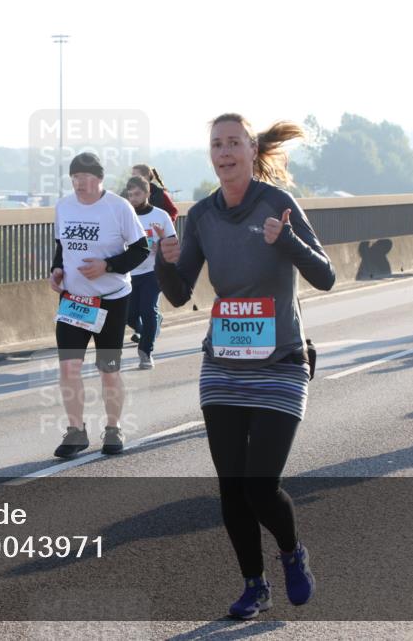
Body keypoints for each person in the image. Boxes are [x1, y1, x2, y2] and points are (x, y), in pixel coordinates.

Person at [156, 113, 335, 619]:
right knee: (231, 486)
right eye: (217, 144)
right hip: (224, 365)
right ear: (210, 154)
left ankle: (291, 550)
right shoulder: (202, 216)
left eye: (234, 142)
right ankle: (254, 585)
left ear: (252, 150)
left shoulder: (278, 203)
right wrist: (164, 259)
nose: (225, 151)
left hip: (281, 363)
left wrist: (287, 241)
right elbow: (177, 294)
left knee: (260, 485)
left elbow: (325, 276)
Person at [50, 152, 148, 458]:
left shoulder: (118, 207)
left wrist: (107, 265)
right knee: (68, 367)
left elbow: (141, 250)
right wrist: (57, 270)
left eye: (84, 177)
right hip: (74, 300)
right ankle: (76, 431)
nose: (79, 183)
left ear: (99, 179)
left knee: (108, 369)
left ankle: (113, 428)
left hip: (111, 300)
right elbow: (61, 246)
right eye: (74, 177)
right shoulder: (64, 206)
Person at [124, 176, 176, 369]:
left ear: (147, 194)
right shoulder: (125, 215)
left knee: (147, 310)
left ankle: (146, 352)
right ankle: (150, 328)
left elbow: (172, 242)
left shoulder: (160, 215)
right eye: (130, 195)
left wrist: (161, 245)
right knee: (129, 315)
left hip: (153, 271)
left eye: (137, 194)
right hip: (129, 273)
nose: (133, 198)